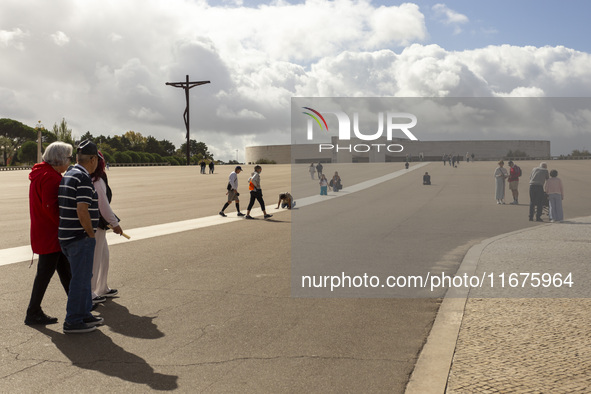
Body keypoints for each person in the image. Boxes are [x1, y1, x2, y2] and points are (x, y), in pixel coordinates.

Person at [58, 140, 104, 333]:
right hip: (79, 237)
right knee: (81, 279)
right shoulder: (83, 178)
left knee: (84, 277)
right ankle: (74, 320)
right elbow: (82, 209)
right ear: (93, 159)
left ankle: (84, 313)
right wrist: (91, 234)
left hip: (67, 235)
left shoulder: (69, 173)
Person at [25, 142, 73, 326]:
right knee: (46, 274)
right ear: (59, 159)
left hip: (44, 231)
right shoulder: (52, 178)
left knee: (64, 271)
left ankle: (80, 305)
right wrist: (65, 226)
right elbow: (51, 208)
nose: (69, 162)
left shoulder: (39, 173)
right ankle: (33, 311)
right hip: (51, 234)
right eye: (68, 158)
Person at [91, 151, 123, 303]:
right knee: (96, 258)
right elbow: (102, 204)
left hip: (99, 223)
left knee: (104, 256)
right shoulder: (97, 180)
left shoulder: (97, 178)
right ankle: (90, 292)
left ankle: (102, 287)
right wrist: (115, 224)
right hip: (97, 223)